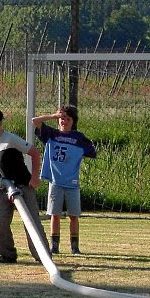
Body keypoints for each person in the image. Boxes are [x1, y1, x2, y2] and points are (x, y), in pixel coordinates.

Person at [0, 107, 50, 264]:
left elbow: (35, 153)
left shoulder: (11, 139)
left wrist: (34, 178)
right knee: (0, 223)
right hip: (4, 188)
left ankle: (42, 255)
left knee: (31, 222)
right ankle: (7, 255)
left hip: (22, 186)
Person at [32, 105, 97, 255]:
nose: (64, 121)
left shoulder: (78, 138)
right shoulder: (51, 134)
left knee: (73, 215)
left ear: (73, 121)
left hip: (72, 183)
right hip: (55, 181)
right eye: (62, 118)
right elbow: (35, 121)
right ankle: (55, 246)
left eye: (68, 119)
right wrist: (53, 116)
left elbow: (92, 152)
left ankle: (75, 247)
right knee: (55, 214)